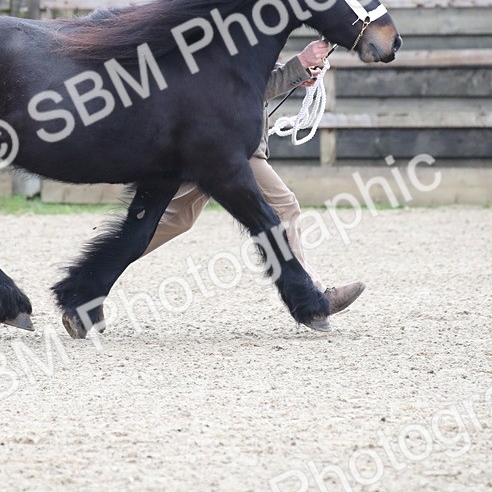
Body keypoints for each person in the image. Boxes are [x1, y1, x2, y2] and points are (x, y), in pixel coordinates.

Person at [141, 39, 366, 316]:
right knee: (284, 207)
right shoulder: (231, 27)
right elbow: (241, 90)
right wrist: (299, 66)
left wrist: (296, 72)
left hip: (215, 144)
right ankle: (313, 297)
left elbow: (249, 77)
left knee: (175, 219)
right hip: (230, 146)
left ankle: (95, 275)